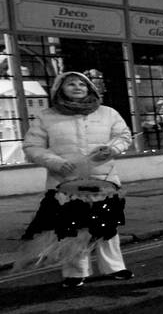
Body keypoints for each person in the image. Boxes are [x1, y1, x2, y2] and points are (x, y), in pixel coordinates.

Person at [21, 71, 134, 287]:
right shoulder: (47, 116)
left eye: (82, 84)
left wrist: (111, 149)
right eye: (71, 84)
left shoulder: (108, 113)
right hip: (64, 182)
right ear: (59, 89)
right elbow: (31, 146)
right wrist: (55, 162)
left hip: (104, 178)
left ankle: (114, 267)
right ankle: (75, 273)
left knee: (106, 226)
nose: (77, 87)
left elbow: (123, 136)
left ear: (90, 88)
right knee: (72, 228)